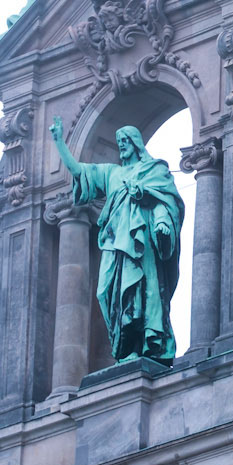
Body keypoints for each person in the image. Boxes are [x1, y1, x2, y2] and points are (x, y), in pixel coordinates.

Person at [50, 120, 184, 364]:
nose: (122, 146)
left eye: (125, 141)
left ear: (135, 144)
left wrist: (163, 222)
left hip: (141, 244)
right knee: (107, 291)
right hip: (114, 242)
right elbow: (79, 171)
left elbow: (166, 201)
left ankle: (141, 345)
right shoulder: (112, 173)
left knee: (140, 293)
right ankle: (124, 347)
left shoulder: (154, 171)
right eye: (119, 142)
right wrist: (59, 143)